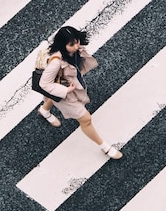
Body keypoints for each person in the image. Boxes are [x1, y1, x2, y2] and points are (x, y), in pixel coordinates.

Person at [37, 25, 123, 159]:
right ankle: (105, 147)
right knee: (86, 119)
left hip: (66, 86)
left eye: (77, 41)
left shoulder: (72, 51)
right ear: (62, 44)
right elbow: (44, 84)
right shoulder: (56, 62)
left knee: (53, 97)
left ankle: (44, 110)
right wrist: (65, 90)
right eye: (72, 44)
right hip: (65, 92)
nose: (76, 46)